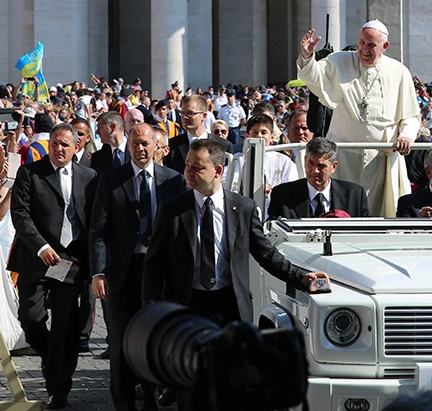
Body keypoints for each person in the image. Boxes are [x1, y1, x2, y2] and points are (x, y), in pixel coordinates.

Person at [141, 139, 329, 411]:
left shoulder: (242, 208)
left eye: (196, 167)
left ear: (217, 171)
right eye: (187, 166)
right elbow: (154, 266)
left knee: (229, 385)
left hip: (229, 305)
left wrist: (301, 277)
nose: (188, 172)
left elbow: (266, 253)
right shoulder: (172, 210)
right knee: (190, 387)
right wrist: (151, 312)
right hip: (187, 306)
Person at [89, 124, 186, 411]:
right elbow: (98, 230)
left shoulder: (173, 181)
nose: (140, 149)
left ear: (157, 145)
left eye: (145, 143)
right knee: (121, 340)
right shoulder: (111, 180)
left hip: (159, 271)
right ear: (128, 145)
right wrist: (98, 272)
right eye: (134, 143)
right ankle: (123, 402)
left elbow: (182, 230)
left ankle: (151, 394)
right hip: (122, 272)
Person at [8, 124, 97, 409]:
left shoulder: (89, 177)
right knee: (31, 319)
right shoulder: (30, 173)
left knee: (65, 327)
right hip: (37, 259)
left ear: (76, 148)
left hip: (71, 263)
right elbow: (20, 214)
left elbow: (93, 221)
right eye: (55, 143)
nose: (59, 149)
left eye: (65, 145)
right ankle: (51, 358)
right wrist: (41, 246)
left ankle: (59, 390)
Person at [298, 20, 421, 217]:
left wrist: (406, 136)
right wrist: (307, 56)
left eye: (371, 45)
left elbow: (411, 116)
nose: (364, 49)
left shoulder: (399, 72)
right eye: (362, 42)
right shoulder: (341, 61)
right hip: (343, 155)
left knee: (379, 212)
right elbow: (314, 77)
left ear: (385, 46)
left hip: (381, 157)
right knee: (340, 210)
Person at [267, 138, 369, 219]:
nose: (315, 170)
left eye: (321, 166)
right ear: (305, 161)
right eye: (310, 164)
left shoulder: (354, 195)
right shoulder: (283, 195)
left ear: (333, 167)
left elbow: (366, 232)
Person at [165, 95, 232, 174]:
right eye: (182, 113)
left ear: (204, 116)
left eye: (190, 113)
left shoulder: (224, 146)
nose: (184, 117)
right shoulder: (172, 145)